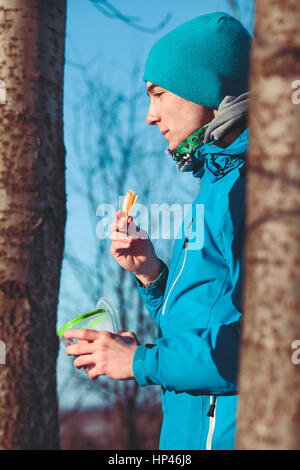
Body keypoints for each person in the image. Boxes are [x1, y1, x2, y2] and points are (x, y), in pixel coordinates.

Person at [65, 11, 252, 450]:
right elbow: (204, 322)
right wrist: (152, 275)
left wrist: (138, 361)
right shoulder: (216, 183)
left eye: (159, 94)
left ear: (205, 89)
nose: (150, 116)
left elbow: (251, 349)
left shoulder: (247, 188)